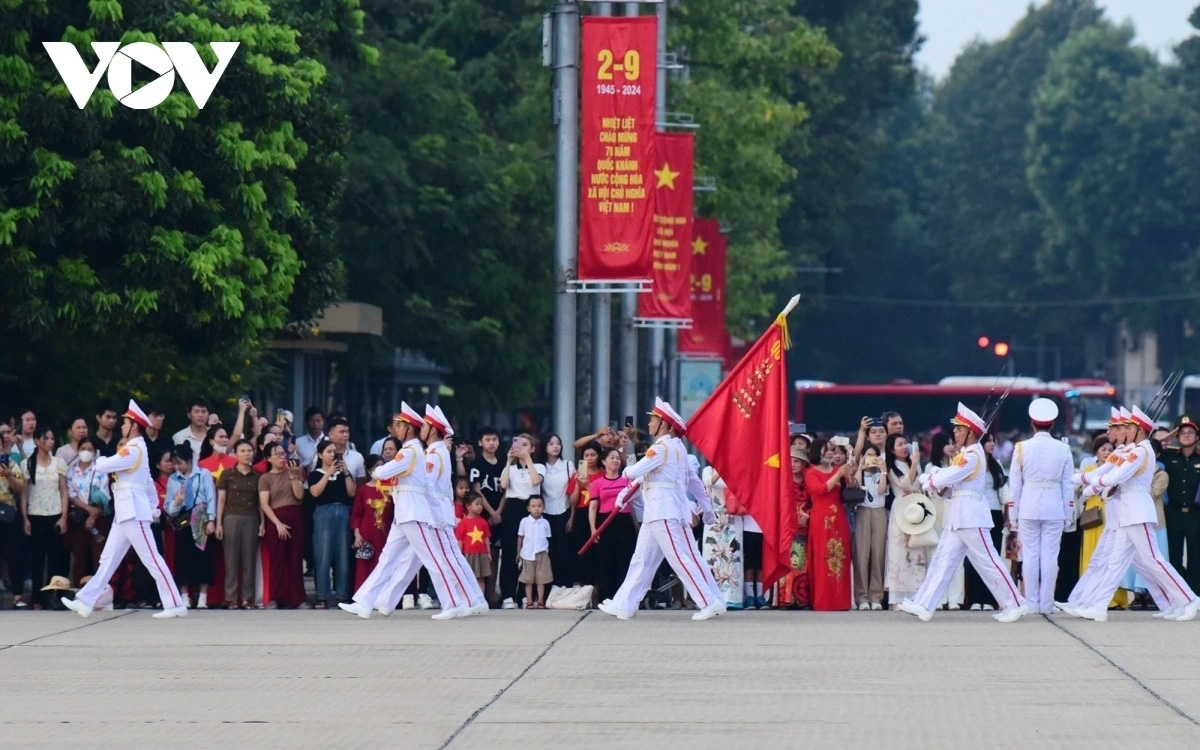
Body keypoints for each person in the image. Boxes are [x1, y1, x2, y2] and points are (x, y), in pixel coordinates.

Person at [339, 402, 482, 620]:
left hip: (414, 513)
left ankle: (453, 603)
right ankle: (365, 602)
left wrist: (377, 471)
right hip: (406, 512)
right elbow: (427, 486)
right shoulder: (415, 451)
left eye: (400, 425)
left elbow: (383, 472)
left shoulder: (410, 452)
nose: (396, 429)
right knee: (388, 558)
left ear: (408, 429)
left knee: (432, 559)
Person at [1066, 406, 1200, 622]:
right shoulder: (1135, 450)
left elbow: (1114, 477)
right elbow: (1107, 474)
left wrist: (1085, 483)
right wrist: (1077, 480)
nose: (1125, 431)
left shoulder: (1140, 452)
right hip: (1128, 512)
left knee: (1154, 560)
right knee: (1116, 561)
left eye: (1129, 427)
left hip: (1138, 510)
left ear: (1140, 430)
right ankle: (1099, 606)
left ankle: (1189, 598)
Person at [899, 403, 1028, 623]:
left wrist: (930, 478)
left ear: (970, 432)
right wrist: (936, 479)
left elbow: (949, 476)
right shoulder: (967, 453)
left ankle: (1015, 603)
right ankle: (924, 604)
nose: (955, 433)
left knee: (988, 562)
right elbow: (952, 483)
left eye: (959, 429)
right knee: (942, 561)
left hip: (971, 516)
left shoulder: (972, 455)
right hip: (958, 515)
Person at [598, 398, 724, 622]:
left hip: (663, 510)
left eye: (653, 420)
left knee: (679, 559)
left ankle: (708, 601)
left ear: (664, 424)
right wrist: (707, 508)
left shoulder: (660, 449)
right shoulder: (678, 449)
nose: (649, 424)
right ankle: (624, 603)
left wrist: (625, 474)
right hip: (664, 511)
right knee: (642, 560)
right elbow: (692, 481)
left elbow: (634, 472)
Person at [62, 400, 185, 618]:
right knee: (108, 559)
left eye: (125, 423)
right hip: (126, 512)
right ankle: (87, 600)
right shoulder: (137, 449)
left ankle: (175, 603)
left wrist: (101, 457)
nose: (121, 426)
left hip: (134, 512)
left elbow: (103, 465)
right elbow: (148, 482)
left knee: (152, 558)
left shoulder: (134, 449)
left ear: (134, 426)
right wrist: (154, 508)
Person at [1005, 399, 1074, 615]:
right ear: (1052, 424)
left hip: (1028, 505)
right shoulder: (1063, 448)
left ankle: (1032, 603)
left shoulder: (1021, 448)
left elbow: (1015, 485)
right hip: (1054, 507)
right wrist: (1068, 514)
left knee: (1030, 556)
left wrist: (1013, 515)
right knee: (1050, 556)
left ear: (1032, 423)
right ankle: (1047, 603)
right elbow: (1068, 485)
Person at [423, 404, 487, 612]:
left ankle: (464, 601)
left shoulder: (435, 453)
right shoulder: (438, 451)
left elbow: (428, 485)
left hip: (434, 512)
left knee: (447, 557)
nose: (421, 430)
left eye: (424, 426)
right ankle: (474, 599)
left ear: (433, 430)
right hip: (436, 511)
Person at [21, 425, 69, 609]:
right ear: (37, 440)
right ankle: (36, 597)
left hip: (54, 514)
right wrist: (25, 518)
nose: (49, 442)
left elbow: (63, 491)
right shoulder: (28, 464)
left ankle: (52, 596)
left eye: (51, 438)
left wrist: (64, 517)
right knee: (37, 559)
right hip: (36, 514)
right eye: (45, 438)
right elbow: (25, 494)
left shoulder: (58, 463)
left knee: (55, 558)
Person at [803, 437, 854, 611]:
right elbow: (819, 490)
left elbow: (851, 485)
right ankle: (824, 600)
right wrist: (838, 475)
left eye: (832, 450)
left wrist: (850, 466)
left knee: (840, 557)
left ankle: (841, 600)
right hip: (821, 518)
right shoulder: (811, 472)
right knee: (824, 557)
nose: (831, 453)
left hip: (838, 517)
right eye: (828, 450)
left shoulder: (838, 469)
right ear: (818, 452)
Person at [164, 442, 216, 609]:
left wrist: (211, 519)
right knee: (183, 559)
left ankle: (202, 598)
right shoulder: (173, 479)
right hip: (183, 520)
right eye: (175, 464)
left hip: (201, 518)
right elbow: (168, 508)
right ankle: (184, 596)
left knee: (203, 558)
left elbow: (211, 497)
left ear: (189, 460)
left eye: (180, 463)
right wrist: (177, 502)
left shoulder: (203, 474)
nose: (177, 467)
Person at [307, 439, 355, 608]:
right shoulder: (315, 474)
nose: (332, 454)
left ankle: (342, 595)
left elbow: (352, 492)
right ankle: (322, 596)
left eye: (334, 451)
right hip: (323, 512)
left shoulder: (343, 473)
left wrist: (346, 472)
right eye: (328, 451)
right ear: (320, 455)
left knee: (343, 555)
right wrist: (328, 473)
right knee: (323, 555)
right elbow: (315, 492)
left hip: (343, 511)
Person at [497, 433, 543, 608]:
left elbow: (536, 481)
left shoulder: (539, 466)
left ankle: (525, 595)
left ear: (532, 448)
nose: (521, 448)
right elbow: (503, 485)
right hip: (513, 507)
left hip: (531, 507)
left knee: (530, 552)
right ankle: (508, 595)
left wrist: (527, 459)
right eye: (518, 444)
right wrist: (509, 461)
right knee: (509, 551)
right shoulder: (510, 468)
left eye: (525, 445)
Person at [258, 442, 306, 608]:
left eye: (283, 453)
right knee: (277, 560)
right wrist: (278, 524)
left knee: (295, 559)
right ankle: (277, 598)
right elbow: (265, 504)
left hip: (295, 516)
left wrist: (293, 476)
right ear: (268, 458)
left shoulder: (294, 471)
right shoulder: (265, 478)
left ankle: (298, 599)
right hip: (275, 520)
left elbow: (299, 495)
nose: (282, 457)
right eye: (277, 454)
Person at [215, 439, 261, 610]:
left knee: (249, 560)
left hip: (251, 518)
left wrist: (262, 522)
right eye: (242, 451)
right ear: (235, 453)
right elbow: (221, 500)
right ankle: (231, 598)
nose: (247, 454)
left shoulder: (258, 475)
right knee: (231, 560)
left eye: (249, 450)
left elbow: (260, 502)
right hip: (231, 518)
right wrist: (219, 523)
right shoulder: (227, 474)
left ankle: (247, 598)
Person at [587, 447, 636, 604]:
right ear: (603, 461)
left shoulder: (627, 481)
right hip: (605, 522)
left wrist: (636, 525)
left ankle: (624, 598)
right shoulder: (597, 483)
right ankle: (607, 596)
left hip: (624, 521)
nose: (615, 460)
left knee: (624, 558)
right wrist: (593, 529)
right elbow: (593, 507)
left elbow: (632, 505)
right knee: (606, 559)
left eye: (617, 458)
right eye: (612, 458)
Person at [965, 432, 1009, 610]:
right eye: (988, 441)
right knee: (977, 556)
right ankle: (976, 598)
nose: (992, 444)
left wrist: (1007, 517)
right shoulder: (973, 462)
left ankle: (990, 599)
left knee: (993, 556)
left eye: (994, 441)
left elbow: (1004, 492)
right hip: (977, 512)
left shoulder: (997, 465)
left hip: (995, 512)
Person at [884, 434, 927, 609]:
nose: (904, 447)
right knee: (899, 552)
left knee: (917, 549)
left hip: (916, 508)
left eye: (905, 443)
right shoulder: (892, 467)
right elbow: (905, 485)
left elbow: (920, 486)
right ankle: (897, 598)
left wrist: (915, 464)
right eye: (899, 444)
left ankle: (916, 596)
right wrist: (915, 464)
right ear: (892, 449)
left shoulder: (913, 464)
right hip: (901, 508)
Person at [65, 438, 112, 586]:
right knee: (79, 556)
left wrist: (93, 514)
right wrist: (88, 509)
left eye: (90, 449)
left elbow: (105, 494)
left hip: (99, 517)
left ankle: (100, 590)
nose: (86, 452)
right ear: (78, 450)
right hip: (78, 517)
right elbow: (71, 495)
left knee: (99, 556)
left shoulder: (100, 470)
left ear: (95, 452)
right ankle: (79, 589)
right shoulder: (71, 471)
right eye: (83, 448)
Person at [1161, 414, 1200, 592]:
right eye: (1182, 432)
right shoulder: (1168, 456)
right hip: (1173, 513)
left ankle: (1195, 594)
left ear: (1197, 436)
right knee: (1173, 555)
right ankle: (1177, 593)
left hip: (1195, 514)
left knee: (1196, 555)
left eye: (1190, 432)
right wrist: (1165, 438)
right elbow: (1149, 448)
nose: (1186, 435)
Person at [351, 448, 395, 590]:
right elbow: (356, 514)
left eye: (383, 466)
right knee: (366, 565)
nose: (380, 469)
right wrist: (357, 535)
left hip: (386, 534)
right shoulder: (362, 489)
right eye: (377, 466)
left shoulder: (391, 489)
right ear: (370, 470)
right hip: (367, 534)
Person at [538, 434, 576, 588]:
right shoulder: (540, 467)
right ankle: (549, 587)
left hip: (564, 511)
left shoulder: (568, 465)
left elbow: (573, 492)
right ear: (545, 446)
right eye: (551, 443)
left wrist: (572, 517)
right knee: (549, 551)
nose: (555, 446)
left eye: (558, 443)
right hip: (545, 513)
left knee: (564, 550)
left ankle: (566, 585)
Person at [776, 445, 812, 609]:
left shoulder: (809, 481)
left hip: (806, 525)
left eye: (797, 461)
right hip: (787, 525)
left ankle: (802, 597)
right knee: (789, 561)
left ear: (804, 463)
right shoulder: (782, 482)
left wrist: (808, 516)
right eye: (790, 461)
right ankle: (786, 597)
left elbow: (815, 502)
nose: (793, 464)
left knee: (803, 561)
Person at [853, 443, 888, 611]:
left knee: (878, 554)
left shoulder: (882, 473)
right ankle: (862, 597)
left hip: (879, 512)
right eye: (868, 455)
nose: (871, 458)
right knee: (861, 555)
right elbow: (857, 489)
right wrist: (860, 468)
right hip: (862, 512)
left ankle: (876, 596)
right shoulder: (858, 473)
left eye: (874, 455)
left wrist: (883, 470)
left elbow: (881, 490)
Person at [0, 437, 28, 607]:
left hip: (8, 515)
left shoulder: (9, 463)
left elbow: (21, 488)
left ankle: (18, 596)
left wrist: (8, 476)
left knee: (13, 555)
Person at [518, 496, 553, 608]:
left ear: (543, 507)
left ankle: (541, 601)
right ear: (529, 508)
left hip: (542, 554)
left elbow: (548, 538)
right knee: (528, 579)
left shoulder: (545, 523)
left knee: (541, 579)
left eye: (539, 506)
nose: (536, 508)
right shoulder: (524, 521)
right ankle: (529, 601)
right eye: (533, 506)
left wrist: (547, 552)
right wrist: (518, 553)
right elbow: (520, 537)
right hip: (527, 554)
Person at [456, 493, 492, 597]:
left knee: (480, 578)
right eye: (477, 504)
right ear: (468, 506)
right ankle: (469, 599)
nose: (480, 506)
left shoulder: (483, 522)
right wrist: (459, 555)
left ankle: (481, 598)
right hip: (468, 554)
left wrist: (488, 553)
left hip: (481, 554)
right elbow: (460, 540)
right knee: (467, 577)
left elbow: (486, 538)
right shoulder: (463, 523)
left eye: (481, 504)